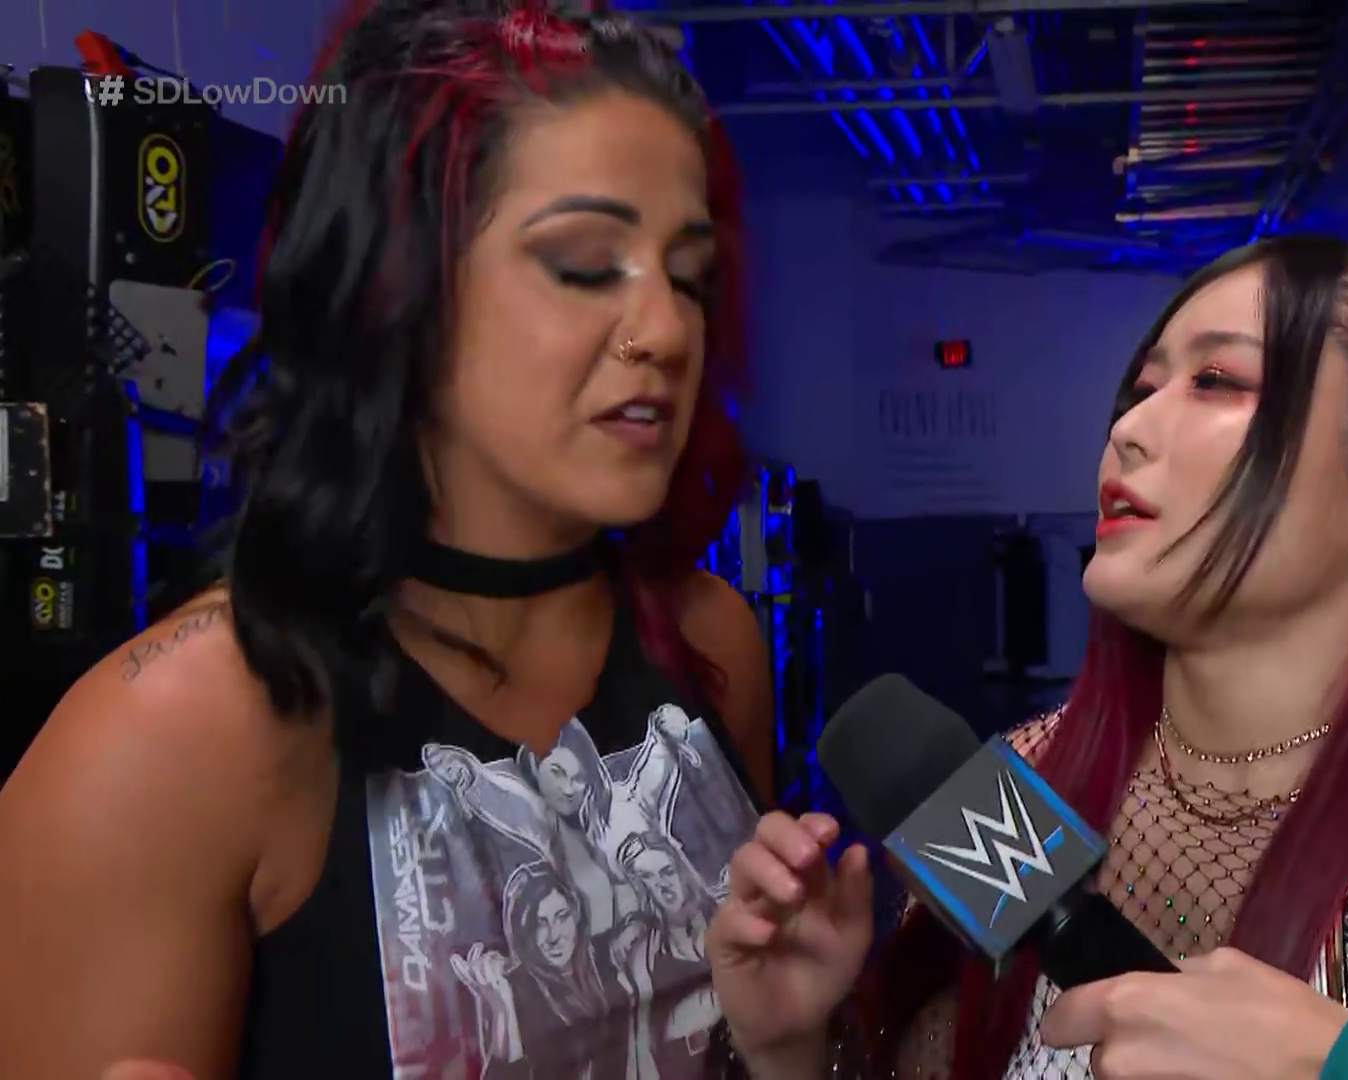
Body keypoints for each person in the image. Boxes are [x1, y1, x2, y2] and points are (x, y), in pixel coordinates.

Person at [0, 4, 773, 1079]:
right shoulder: (163, 745)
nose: (668, 330)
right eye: (585, 262)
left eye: (687, 275)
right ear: (395, 281)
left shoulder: (711, 643)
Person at [705, 235, 1348, 1080]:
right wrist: (791, 1050)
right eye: (1141, 389)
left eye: (1217, 381)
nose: (1129, 428)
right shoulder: (1026, 784)